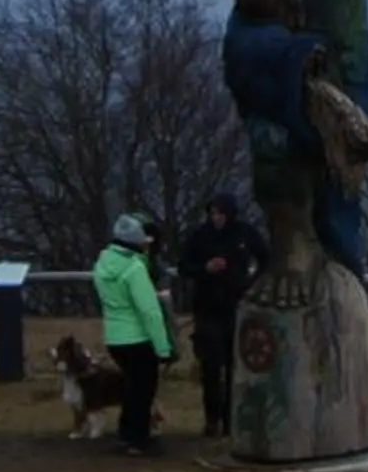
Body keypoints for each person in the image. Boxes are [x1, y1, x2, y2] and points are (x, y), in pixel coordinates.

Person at [176, 194, 269, 436]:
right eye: (213, 213)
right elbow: (183, 266)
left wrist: (251, 284)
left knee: (235, 366)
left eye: (220, 213)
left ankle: (232, 419)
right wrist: (204, 268)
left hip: (237, 307)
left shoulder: (245, 234)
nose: (216, 218)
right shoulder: (200, 236)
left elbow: (265, 259)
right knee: (210, 366)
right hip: (207, 308)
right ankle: (212, 419)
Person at [92, 213, 174, 455]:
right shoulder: (135, 268)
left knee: (131, 387)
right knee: (143, 390)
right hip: (138, 339)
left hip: (114, 337)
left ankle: (126, 434)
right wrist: (163, 347)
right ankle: (137, 439)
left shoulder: (102, 263)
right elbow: (149, 312)